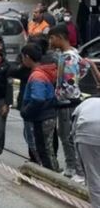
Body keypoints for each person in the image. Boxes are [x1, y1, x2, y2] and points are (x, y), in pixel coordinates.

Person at [50, 23, 100, 179]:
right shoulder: (72, 54)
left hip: (67, 104)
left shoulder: (69, 57)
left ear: (59, 38)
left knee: (68, 137)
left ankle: (75, 170)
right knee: (67, 136)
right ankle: (74, 168)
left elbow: (70, 84)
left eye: (52, 38)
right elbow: (84, 68)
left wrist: (62, 95)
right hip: (67, 103)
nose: (50, 42)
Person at [19, 43, 59, 171]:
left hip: (40, 118)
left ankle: (50, 177)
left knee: (42, 149)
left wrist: (26, 112)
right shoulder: (44, 72)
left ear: (27, 57)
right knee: (47, 149)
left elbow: (38, 98)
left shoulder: (37, 76)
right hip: (48, 115)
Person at [71, 97, 100, 204]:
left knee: (94, 178)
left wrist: (80, 172)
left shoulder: (85, 104)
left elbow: (73, 134)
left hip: (86, 135)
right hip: (87, 133)